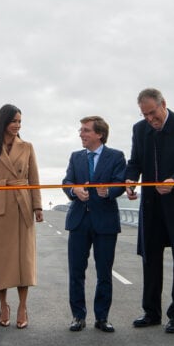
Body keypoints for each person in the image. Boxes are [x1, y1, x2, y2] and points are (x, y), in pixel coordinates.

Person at [124, 88, 174, 334]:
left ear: (163, 105)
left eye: (152, 113)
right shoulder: (140, 130)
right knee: (151, 258)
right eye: (145, 114)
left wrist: (173, 180)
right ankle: (151, 312)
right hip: (152, 205)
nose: (149, 119)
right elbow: (135, 161)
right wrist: (130, 180)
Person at [0, 104, 43, 329]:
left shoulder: (27, 147)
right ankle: (3, 304)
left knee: (23, 259)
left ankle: (23, 306)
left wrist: (38, 207)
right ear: (3, 122)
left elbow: (34, 179)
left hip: (22, 205)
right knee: (0, 260)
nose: (17, 125)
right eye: (14, 121)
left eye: (20, 122)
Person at [62, 116, 127, 333]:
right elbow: (67, 181)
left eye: (86, 130)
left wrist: (108, 191)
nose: (81, 134)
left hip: (105, 221)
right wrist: (74, 191)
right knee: (76, 272)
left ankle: (102, 318)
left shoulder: (116, 156)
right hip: (79, 221)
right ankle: (78, 316)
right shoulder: (76, 157)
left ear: (99, 134)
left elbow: (120, 182)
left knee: (104, 272)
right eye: (81, 130)